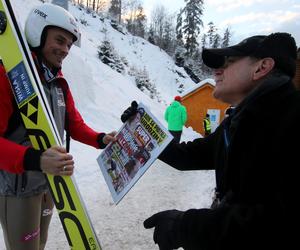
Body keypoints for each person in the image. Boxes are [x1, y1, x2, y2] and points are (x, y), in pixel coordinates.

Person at [121, 32, 299, 250]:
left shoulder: (290, 119)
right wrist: (141, 128)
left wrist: (184, 226)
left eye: (229, 62)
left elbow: (275, 224)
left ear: (261, 68)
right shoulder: (237, 121)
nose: (216, 71)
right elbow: (185, 157)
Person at [0, 4, 116, 250]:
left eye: (69, 45)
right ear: (38, 33)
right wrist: (37, 160)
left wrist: (101, 138)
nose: (64, 50)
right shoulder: (8, 76)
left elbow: (73, 123)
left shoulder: (57, 81)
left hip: (50, 183)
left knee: (40, 243)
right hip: (19, 188)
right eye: (59, 40)